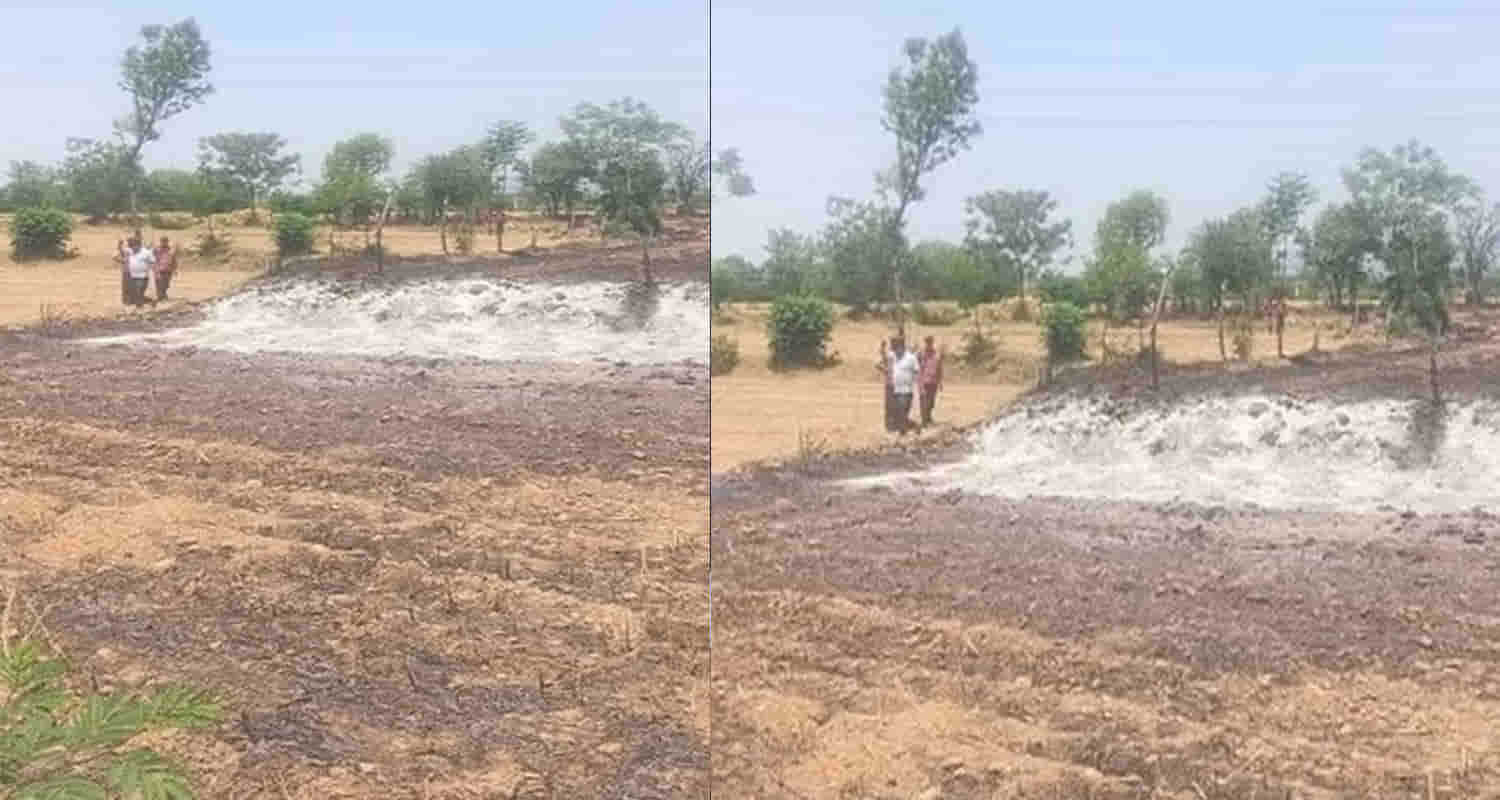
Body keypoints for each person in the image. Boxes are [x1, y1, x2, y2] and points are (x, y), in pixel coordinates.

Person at [880, 336, 920, 435]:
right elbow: (883, 357)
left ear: (902, 347)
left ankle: (904, 431)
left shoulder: (910, 357)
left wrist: (914, 383)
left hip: (906, 390)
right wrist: (882, 347)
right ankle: (911, 427)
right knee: (897, 412)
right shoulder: (893, 356)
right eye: (894, 347)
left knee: (902, 411)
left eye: (897, 347)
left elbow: (916, 372)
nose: (895, 350)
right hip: (895, 389)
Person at [917, 335, 944, 428]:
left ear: (932, 343)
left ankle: (928, 417)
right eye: (927, 342)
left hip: (933, 381)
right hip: (923, 381)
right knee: (924, 401)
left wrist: (940, 382)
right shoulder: (920, 354)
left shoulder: (937, 354)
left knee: (931, 402)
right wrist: (919, 381)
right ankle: (924, 421)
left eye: (930, 342)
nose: (928, 344)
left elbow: (940, 368)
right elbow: (917, 368)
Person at [124, 237, 155, 308]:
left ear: (139, 245)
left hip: (143, 276)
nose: (132, 248)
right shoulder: (130, 251)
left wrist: (152, 273)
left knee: (139, 291)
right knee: (135, 293)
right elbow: (122, 251)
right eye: (131, 246)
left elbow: (153, 262)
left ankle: (139, 306)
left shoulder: (146, 252)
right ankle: (150, 301)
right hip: (132, 276)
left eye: (134, 246)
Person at [153, 236, 177, 302]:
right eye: (162, 241)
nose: (164, 243)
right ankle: (160, 297)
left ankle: (163, 295)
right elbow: (154, 260)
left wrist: (175, 269)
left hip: (168, 270)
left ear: (167, 242)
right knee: (159, 284)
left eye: (165, 241)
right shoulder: (157, 250)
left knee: (166, 284)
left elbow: (174, 260)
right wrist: (155, 270)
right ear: (160, 242)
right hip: (159, 270)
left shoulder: (171, 250)